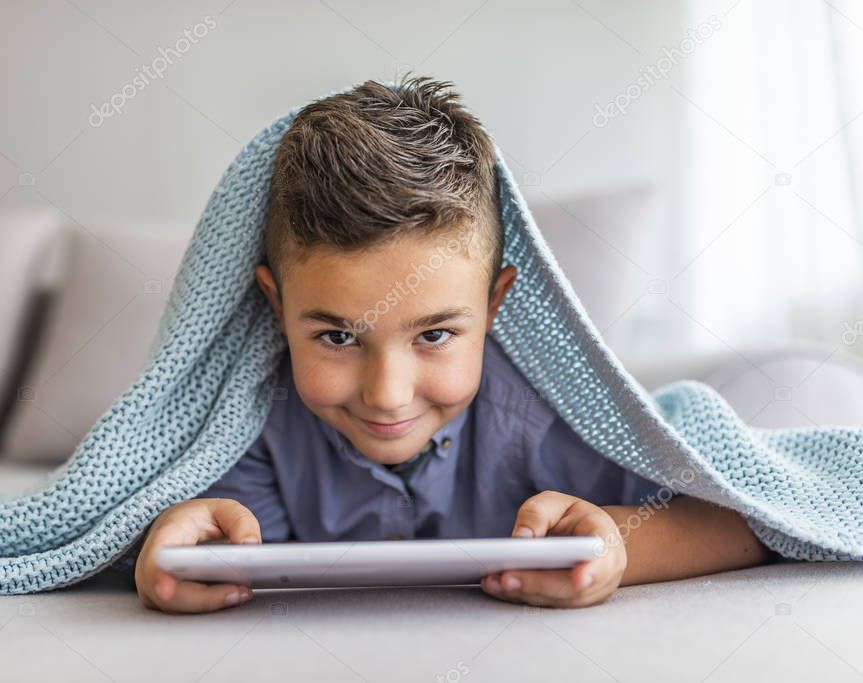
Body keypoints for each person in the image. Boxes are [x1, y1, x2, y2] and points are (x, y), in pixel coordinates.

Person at [135, 75, 775, 613]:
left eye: (435, 334)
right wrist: (168, 552)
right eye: (337, 336)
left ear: (494, 304)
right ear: (276, 306)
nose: (387, 395)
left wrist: (617, 548)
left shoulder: (545, 419)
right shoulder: (248, 421)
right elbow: (226, 562)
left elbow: (750, 519)